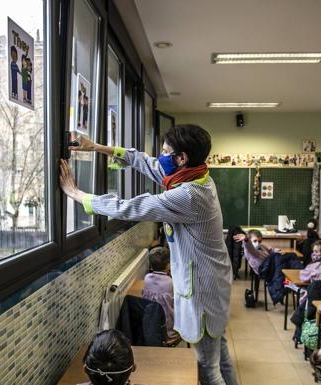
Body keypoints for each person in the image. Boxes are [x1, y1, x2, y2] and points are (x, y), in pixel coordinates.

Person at [59, 124, 238, 385]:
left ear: (181, 158)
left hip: (204, 292)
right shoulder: (194, 176)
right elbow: (145, 162)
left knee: (208, 369)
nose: (160, 156)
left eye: (165, 151)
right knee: (220, 356)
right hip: (212, 284)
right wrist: (96, 147)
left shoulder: (190, 195)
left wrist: (77, 194)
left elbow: (130, 207)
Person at [142, 247, 176, 339]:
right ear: (168, 265)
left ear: (151, 265)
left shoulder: (147, 278)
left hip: (149, 323)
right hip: (166, 327)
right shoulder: (170, 282)